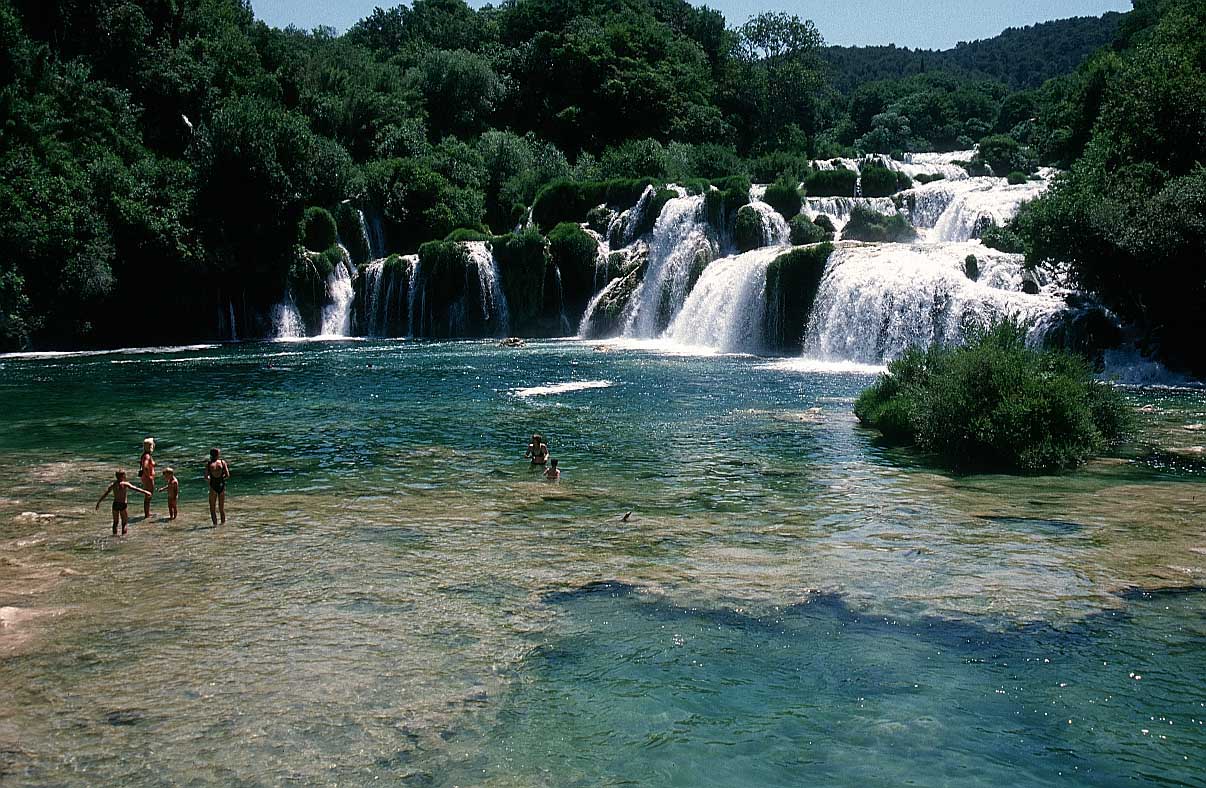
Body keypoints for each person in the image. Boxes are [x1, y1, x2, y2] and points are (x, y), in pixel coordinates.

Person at [95, 470, 151, 536]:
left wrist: (99, 502)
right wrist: (145, 492)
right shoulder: (125, 484)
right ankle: (124, 536)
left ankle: (114, 536)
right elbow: (135, 488)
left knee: (115, 522)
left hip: (115, 504)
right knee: (124, 523)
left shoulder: (113, 484)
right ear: (123, 476)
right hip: (123, 504)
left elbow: (105, 494)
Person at [205, 447, 230, 526]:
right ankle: (223, 525)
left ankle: (215, 525)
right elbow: (227, 475)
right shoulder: (222, 462)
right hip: (221, 484)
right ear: (218, 454)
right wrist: (221, 478)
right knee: (221, 508)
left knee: (212, 508)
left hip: (213, 486)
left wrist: (210, 480)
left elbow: (206, 477)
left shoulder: (209, 464)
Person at [138, 437, 156, 519]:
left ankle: (147, 513)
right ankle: (147, 514)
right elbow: (145, 466)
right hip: (148, 478)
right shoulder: (147, 456)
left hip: (145, 477)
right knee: (148, 495)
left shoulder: (144, 455)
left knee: (148, 495)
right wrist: (149, 476)